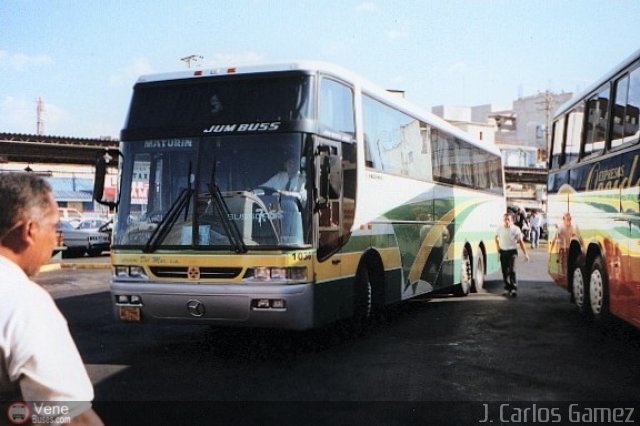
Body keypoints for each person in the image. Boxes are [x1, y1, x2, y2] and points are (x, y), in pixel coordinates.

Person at [0, 173, 103, 425]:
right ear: (30, 230)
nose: (56, 239)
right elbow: (70, 415)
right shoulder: (22, 300)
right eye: (54, 227)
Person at [495, 212, 529, 297]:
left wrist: (526, 254)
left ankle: (513, 288)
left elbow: (521, 242)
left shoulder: (516, 229)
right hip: (503, 251)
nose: (507, 221)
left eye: (508, 220)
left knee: (512, 270)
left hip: (512, 252)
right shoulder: (500, 229)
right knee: (504, 271)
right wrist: (498, 248)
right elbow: (496, 238)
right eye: (505, 220)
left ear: (512, 221)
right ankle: (507, 287)